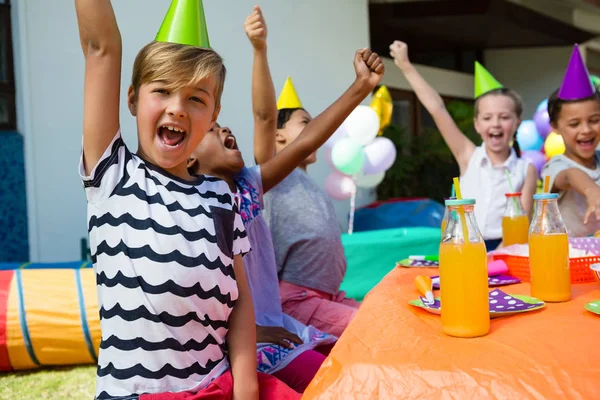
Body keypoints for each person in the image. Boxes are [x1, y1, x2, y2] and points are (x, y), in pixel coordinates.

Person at [389, 40, 537, 250]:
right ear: (477, 125)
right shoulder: (468, 155)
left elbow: (521, 221)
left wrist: (497, 255)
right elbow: (437, 108)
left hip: (506, 248)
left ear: (517, 123)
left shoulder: (526, 169)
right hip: (464, 245)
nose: (495, 123)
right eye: (487, 118)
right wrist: (405, 65)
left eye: (504, 117)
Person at [542, 44, 600, 237]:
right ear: (555, 127)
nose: (586, 130)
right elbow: (570, 175)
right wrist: (592, 191)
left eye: (594, 121)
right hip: (569, 258)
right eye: (574, 124)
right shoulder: (555, 166)